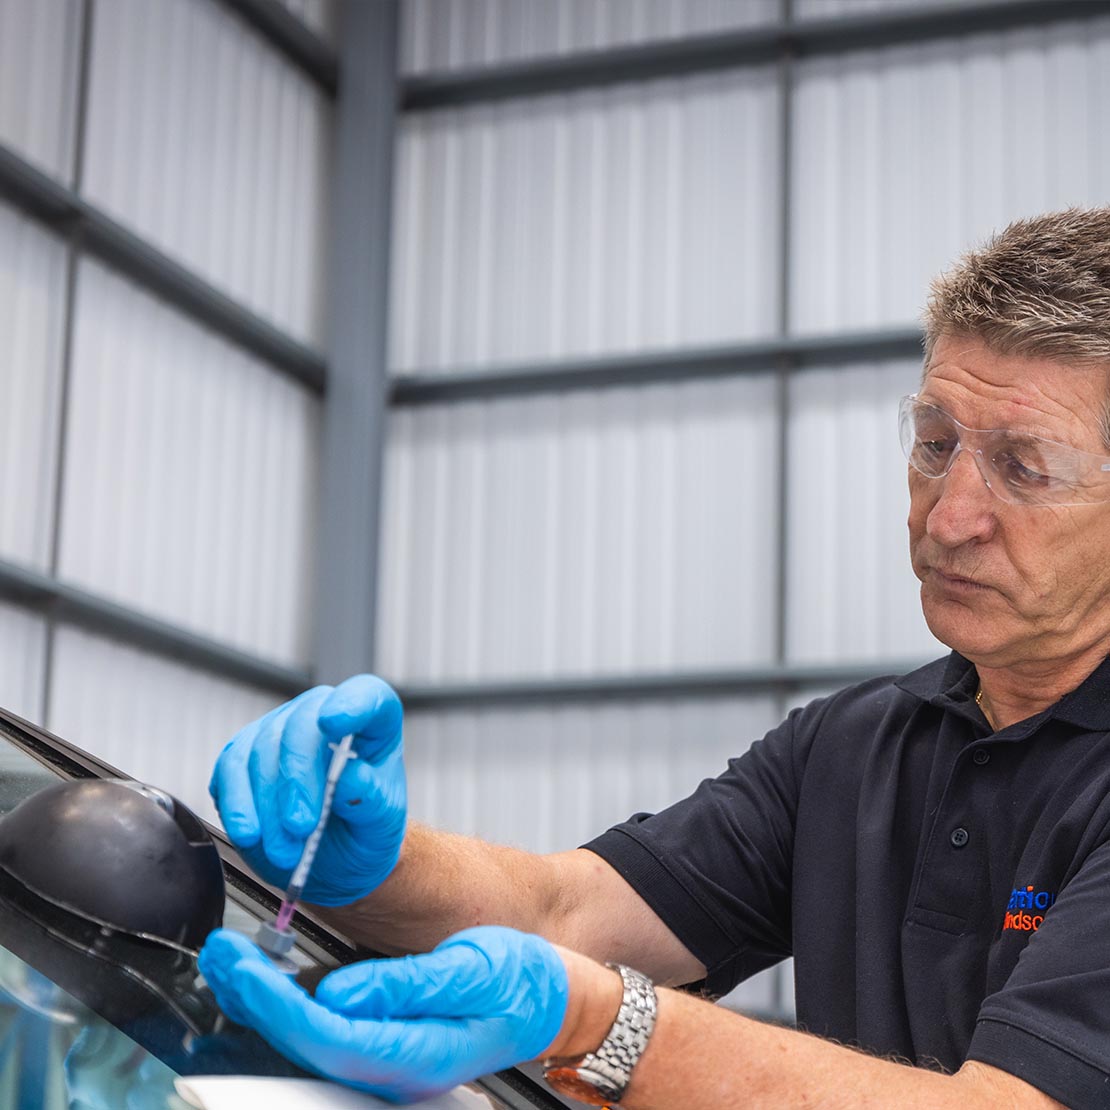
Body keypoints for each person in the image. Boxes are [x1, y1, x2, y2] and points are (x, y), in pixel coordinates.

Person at [199, 207, 1110, 1108]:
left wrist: (603, 1024)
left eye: (1026, 467)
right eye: (935, 445)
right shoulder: (857, 747)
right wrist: (377, 868)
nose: (948, 518)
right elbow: (572, 913)